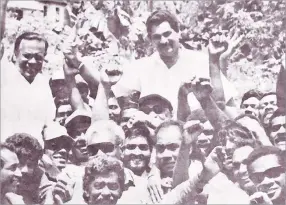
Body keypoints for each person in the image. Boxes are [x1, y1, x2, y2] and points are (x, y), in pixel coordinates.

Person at [113, 10, 234, 115]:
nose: (164, 41)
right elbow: (119, 99)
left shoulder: (201, 61)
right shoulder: (140, 68)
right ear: (150, 40)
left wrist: (214, 61)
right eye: (157, 37)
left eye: (167, 34)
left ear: (178, 32)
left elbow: (223, 104)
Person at [1, 32, 56, 146]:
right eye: (27, 55)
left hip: (34, 157)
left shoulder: (43, 83)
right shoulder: (3, 77)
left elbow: (48, 123)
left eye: (38, 57)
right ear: (15, 54)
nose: (32, 62)